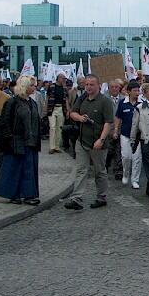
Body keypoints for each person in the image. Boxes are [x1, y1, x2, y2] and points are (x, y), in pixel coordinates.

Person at [64, 74, 115, 210]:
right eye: (87, 84)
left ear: (98, 85)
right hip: (82, 141)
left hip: (98, 143)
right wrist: (80, 118)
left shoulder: (105, 101)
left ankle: (101, 197)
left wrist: (101, 139)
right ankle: (76, 198)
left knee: (99, 171)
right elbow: (72, 113)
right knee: (81, 170)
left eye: (92, 84)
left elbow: (108, 123)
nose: (88, 87)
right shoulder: (82, 99)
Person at [0, 76, 42, 205]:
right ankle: (14, 194)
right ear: (25, 86)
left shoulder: (32, 103)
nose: (35, 87)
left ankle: (29, 194)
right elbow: (5, 121)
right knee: (14, 168)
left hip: (30, 141)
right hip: (16, 141)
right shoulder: (13, 102)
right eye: (32, 85)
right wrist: (9, 137)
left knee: (29, 169)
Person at [115, 80, 141, 189]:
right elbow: (118, 117)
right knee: (126, 156)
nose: (137, 92)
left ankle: (135, 180)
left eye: (138, 90)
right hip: (125, 133)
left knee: (137, 158)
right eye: (135, 90)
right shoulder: (122, 103)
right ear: (129, 91)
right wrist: (116, 130)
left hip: (138, 135)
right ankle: (125, 173)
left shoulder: (142, 103)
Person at [105, 79, 125, 180]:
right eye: (112, 87)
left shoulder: (124, 99)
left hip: (120, 128)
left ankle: (118, 170)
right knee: (109, 150)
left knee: (119, 151)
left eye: (116, 87)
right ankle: (106, 165)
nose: (114, 89)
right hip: (108, 129)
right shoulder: (104, 98)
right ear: (108, 89)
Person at [46, 73, 68, 154]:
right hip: (52, 108)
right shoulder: (51, 86)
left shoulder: (64, 88)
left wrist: (68, 110)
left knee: (59, 128)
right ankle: (51, 147)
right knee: (52, 127)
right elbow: (47, 97)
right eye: (63, 78)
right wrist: (46, 109)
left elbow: (66, 99)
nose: (64, 80)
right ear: (58, 78)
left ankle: (57, 146)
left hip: (61, 109)